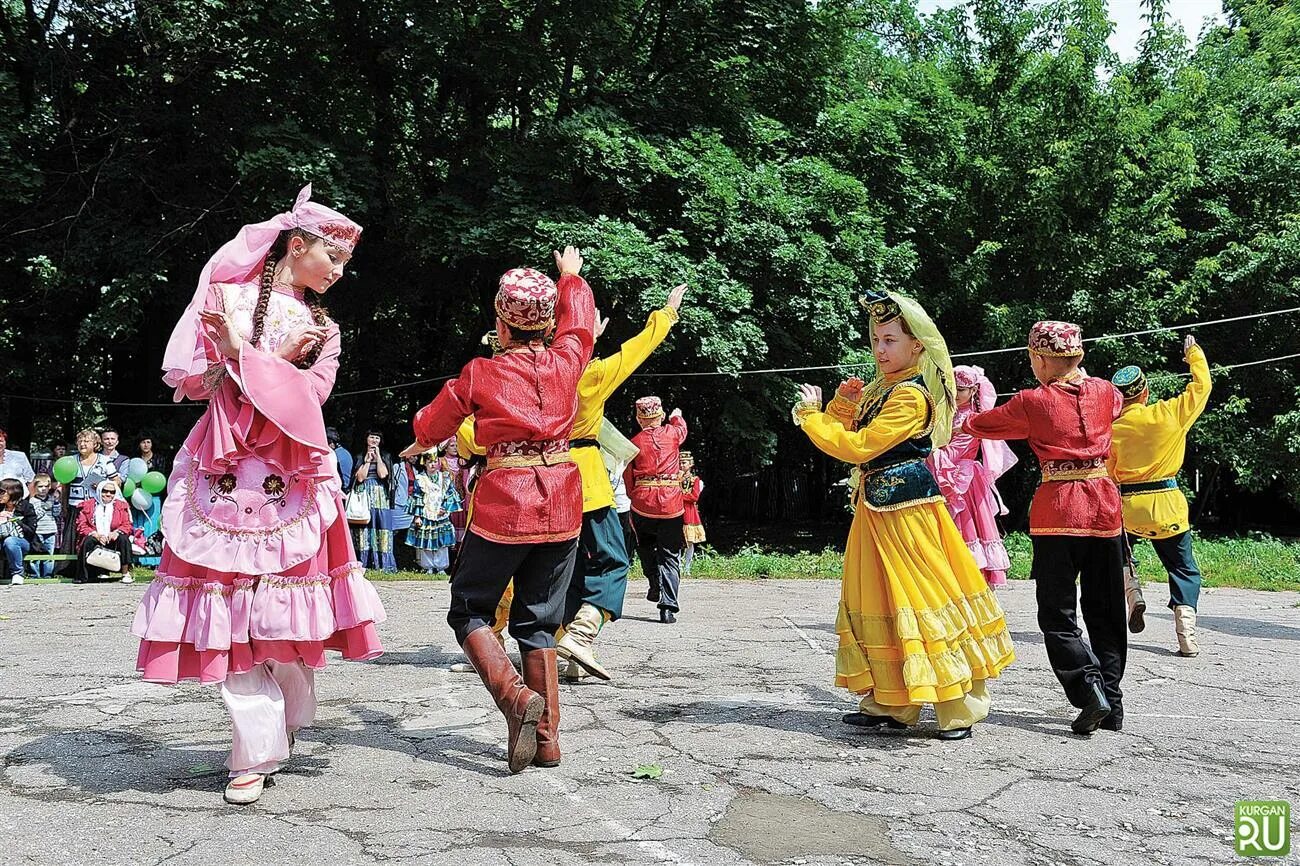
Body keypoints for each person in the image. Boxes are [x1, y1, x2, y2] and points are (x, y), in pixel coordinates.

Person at [133, 184, 386, 806]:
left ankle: (288, 714)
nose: (340, 273)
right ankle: (254, 751)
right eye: (334, 259)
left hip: (290, 477)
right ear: (296, 246)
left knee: (280, 620)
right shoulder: (226, 299)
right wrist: (230, 357)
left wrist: (251, 356)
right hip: (221, 472)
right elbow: (196, 384)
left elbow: (310, 401)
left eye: (345, 264)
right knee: (232, 617)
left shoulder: (323, 328)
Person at [792, 290, 1014, 741]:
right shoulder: (883, 387)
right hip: (875, 505)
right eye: (875, 339)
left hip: (908, 509)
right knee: (876, 598)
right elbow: (852, 430)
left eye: (890, 340)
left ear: (917, 346)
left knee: (922, 596)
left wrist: (812, 417)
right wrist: (840, 404)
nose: (879, 349)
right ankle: (892, 703)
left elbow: (856, 446)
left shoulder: (912, 396)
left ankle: (957, 708)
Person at [405, 246, 595, 773]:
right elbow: (581, 329)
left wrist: (421, 440)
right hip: (561, 500)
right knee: (539, 622)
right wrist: (571, 278)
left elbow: (436, 419)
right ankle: (548, 741)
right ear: (547, 322)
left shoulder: (481, 373)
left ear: (500, 322)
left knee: (468, 609)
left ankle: (514, 698)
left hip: (507, 502)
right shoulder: (568, 360)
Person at [964, 321, 1126, 735]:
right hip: (1105, 510)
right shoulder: (1107, 391)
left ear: (1039, 358)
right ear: (1079, 356)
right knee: (1106, 608)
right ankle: (1113, 701)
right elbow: (1119, 404)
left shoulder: (1032, 401)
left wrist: (961, 415)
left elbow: (984, 425)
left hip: (1058, 512)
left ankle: (1088, 690)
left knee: (1057, 612)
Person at [553, 285, 685, 680]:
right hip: (586, 480)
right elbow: (637, 349)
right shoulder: (590, 376)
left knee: (570, 566)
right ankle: (581, 633)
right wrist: (667, 312)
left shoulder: (537, 372)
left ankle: (563, 649)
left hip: (546, 479)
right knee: (613, 560)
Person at [1108, 336, 1212, 657]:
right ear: (1146, 392)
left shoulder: (1111, 429)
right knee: (1182, 567)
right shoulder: (1169, 413)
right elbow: (1203, 386)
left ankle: (1132, 592)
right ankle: (1186, 632)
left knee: (1120, 554)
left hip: (1129, 507)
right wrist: (1192, 353)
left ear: (1120, 401)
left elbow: (1108, 475)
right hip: (1167, 505)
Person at [926, 365, 1018, 587]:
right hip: (943, 473)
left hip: (963, 479)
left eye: (961, 390)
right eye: (952, 389)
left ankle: (971, 579)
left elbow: (955, 449)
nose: (955, 395)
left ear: (974, 390)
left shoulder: (975, 419)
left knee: (968, 527)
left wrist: (927, 454)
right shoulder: (946, 413)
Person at [624, 398, 688, 623]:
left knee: (645, 545)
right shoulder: (672, 433)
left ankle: (654, 582)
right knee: (670, 554)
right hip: (671, 503)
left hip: (643, 503)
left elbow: (628, 478)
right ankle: (668, 607)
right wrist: (676, 415)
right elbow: (682, 428)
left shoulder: (634, 443)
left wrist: (635, 496)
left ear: (639, 419)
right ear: (660, 416)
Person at [59, 429, 120, 566]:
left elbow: (117, 481)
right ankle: (70, 569)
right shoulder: (70, 461)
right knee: (73, 538)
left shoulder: (104, 461)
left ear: (95, 444)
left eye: (86, 441)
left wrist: (102, 485)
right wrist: (63, 505)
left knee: (94, 536)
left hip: (96, 507)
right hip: (75, 505)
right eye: (80, 441)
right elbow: (64, 485)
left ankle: (97, 568)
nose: (82, 444)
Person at [405, 449, 462, 574]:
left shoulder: (445, 478)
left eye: (435, 462)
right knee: (426, 540)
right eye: (429, 462)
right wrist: (417, 516)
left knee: (442, 542)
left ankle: (441, 567)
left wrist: (445, 508)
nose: (432, 464)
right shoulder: (420, 479)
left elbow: (450, 495)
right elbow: (417, 498)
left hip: (441, 515)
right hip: (426, 513)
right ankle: (428, 567)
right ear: (424, 463)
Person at [353, 430, 397, 573]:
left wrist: (378, 457)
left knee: (381, 527)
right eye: (372, 437)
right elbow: (360, 478)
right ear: (366, 439)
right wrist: (366, 461)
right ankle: (364, 562)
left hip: (380, 495)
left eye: (377, 438)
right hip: (364, 494)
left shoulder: (385, 456)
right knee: (364, 528)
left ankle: (383, 563)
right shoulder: (360, 456)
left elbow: (383, 474)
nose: (374, 440)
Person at [75, 479, 134, 583]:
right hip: (96, 537)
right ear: (99, 490)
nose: (108, 494)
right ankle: (83, 576)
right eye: (105, 491)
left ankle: (126, 573)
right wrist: (95, 534)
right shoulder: (87, 505)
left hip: (113, 538)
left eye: (112, 492)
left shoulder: (121, 505)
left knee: (124, 539)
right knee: (88, 540)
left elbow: (127, 524)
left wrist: (117, 532)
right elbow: (81, 524)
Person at [1, 478, 40, 585]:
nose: (0, 495)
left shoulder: (26, 506)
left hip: (23, 541)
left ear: (13, 492)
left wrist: (14, 520)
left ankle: (17, 574)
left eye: (2, 492)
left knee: (10, 541)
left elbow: (31, 531)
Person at [27, 473, 59, 578]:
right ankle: (34, 575)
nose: (43, 489)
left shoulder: (52, 498)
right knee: (35, 554)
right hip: (38, 531)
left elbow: (57, 514)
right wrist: (44, 507)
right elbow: (35, 515)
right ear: (35, 487)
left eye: (46, 486)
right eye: (40, 486)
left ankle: (48, 575)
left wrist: (56, 503)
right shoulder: (32, 501)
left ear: (49, 487)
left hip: (50, 530)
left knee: (49, 554)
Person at [679, 451, 705, 577]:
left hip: (689, 512)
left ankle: (687, 567)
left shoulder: (695, 480)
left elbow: (694, 496)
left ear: (691, 464)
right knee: (676, 541)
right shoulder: (676, 478)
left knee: (689, 541)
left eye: (684, 463)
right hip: (677, 511)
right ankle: (677, 566)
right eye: (680, 463)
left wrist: (678, 496)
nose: (681, 465)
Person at [0, 428, 35, 493]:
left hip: (20, 500)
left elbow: (31, 480)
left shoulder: (20, 456)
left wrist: (32, 500)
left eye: (1, 441)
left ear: (5, 442)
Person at [327, 427, 354, 493]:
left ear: (331, 443)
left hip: (339, 490)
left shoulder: (333, 455)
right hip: (346, 489)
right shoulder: (345, 452)